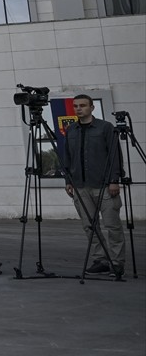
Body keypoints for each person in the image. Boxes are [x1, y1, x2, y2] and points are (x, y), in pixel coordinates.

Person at [60, 95, 126, 277]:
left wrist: (114, 180)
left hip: (104, 185)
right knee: (89, 226)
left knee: (113, 226)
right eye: (75, 106)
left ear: (91, 107)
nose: (79, 109)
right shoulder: (71, 130)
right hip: (80, 186)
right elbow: (67, 157)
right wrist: (68, 181)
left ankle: (117, 262)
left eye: (83, 105)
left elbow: (114, 155)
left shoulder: (105, 128)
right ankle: (101, 260)